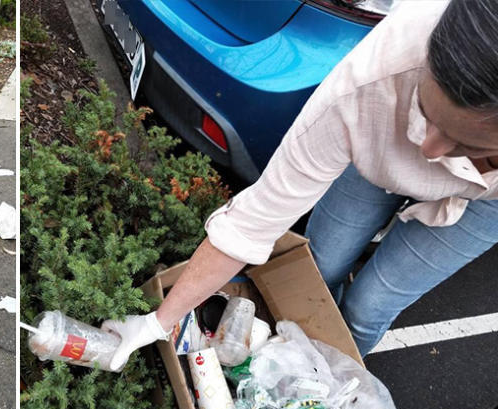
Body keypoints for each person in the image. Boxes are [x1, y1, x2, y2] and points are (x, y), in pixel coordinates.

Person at [101, 0, 498, 370]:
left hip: (484, 201)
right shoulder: (368, 82)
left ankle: (317, 387)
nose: (429, 150)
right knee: (319, 264)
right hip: (379, 141)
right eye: (426, 113)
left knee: (370, 306)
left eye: (465, 143)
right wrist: (156, 323)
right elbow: (254, 221)